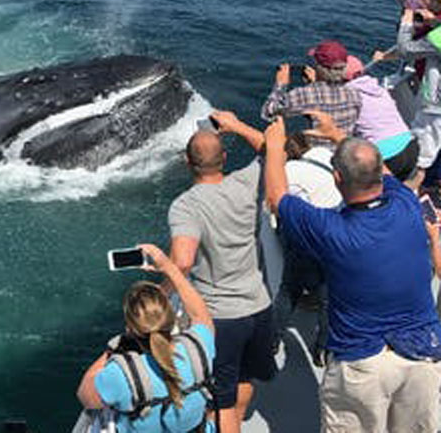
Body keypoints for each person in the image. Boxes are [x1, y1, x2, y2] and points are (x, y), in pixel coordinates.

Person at [264, 112, 441, 432]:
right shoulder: (406, 203)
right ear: (380, 176)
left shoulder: (331, 231)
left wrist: (274, 147)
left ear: (337, 179)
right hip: (420, 355)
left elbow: (278, 198)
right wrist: (337, 135)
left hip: (361, 363)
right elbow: (379, 169)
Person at [168, 111, 275, 433]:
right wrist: (237, 125)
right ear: (224, 158)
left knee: (219, 401)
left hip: (220, 316)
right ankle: (236, 422)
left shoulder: (185, 205)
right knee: (244, 377)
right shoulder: (246, 183)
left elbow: (184, 260)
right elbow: (271, 148)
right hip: (258, 306)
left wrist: (161, 288)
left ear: (187, 162)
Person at [77, 244, 215, 433]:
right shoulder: (198, 348)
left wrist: (114, 350)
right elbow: (201, 315)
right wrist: (169, 266)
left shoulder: (121, 373)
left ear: (131, 328)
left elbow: (86, 396)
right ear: (170, 317)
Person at [271, 131, 340, 366]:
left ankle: (271, 340)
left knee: (289, 289)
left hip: (307, 239)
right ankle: (322, 349)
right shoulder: (322, 154)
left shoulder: (288, 172)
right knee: (328, 299)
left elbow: (276, 205)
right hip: (333, 232)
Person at [261, 40, 362, 148]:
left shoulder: (302, 95)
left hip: (314, 153)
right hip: (342, 152)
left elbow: (267, 113)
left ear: (318, 67)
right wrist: (314, 84)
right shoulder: (355, 94)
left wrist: (280, 85)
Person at [344, 55, 420, 181]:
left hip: (386, 156)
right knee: (397, 189)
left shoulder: (347, 97)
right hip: (410, 146)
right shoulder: (379, 90)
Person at [397, 7, 441, 185]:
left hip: (436, 107)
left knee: (420, 159)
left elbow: (405, 50)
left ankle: (408, 199)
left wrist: (406, 21)